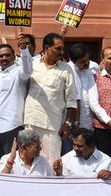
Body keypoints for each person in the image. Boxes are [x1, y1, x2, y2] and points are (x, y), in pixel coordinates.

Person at [23, 33, 77, 163]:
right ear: (47, 48)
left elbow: (71, 99)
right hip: (31, 120)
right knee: (28, 161)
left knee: (51, 163)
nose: (62, 52)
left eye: (62, 49)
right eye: (58, 49)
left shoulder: (66, 69)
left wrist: (68, 123)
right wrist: (23, 48)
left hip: (53, 124)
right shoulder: (33, 64)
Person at [0, 41, 32, 164]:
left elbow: (28, 70)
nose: (4, 58)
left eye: (7, 55)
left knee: (12, 163)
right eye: (1, 56)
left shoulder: (18, 72)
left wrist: (24, 49)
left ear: (14, 57)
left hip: (12, 126)